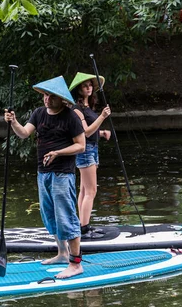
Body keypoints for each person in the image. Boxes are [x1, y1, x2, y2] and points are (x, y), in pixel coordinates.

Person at [4, 75, 86, 279]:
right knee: (50, 216)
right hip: (43, 173)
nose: (47, 99)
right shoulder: (39, 114)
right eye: (45, 95)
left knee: (66, 217)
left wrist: (58, 152)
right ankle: (62, 253)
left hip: (62, 174)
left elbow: (81, 145)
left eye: (51, 96)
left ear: (61, 98)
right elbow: (23, 133)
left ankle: (76, 264)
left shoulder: (70, 117)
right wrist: (14, 122)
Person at [68, 73, 112, 239]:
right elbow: (85, 132)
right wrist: (102, 117)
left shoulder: (87, 108)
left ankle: (81, 224)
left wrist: (101, 133)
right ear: (79, 89)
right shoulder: (77, 109)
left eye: (90, 85)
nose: (89, 87)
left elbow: (91, 130)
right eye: (85, 85)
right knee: (91, 191)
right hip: (86, 150)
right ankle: (84, 228)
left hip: (92, 148)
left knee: (84, 189)